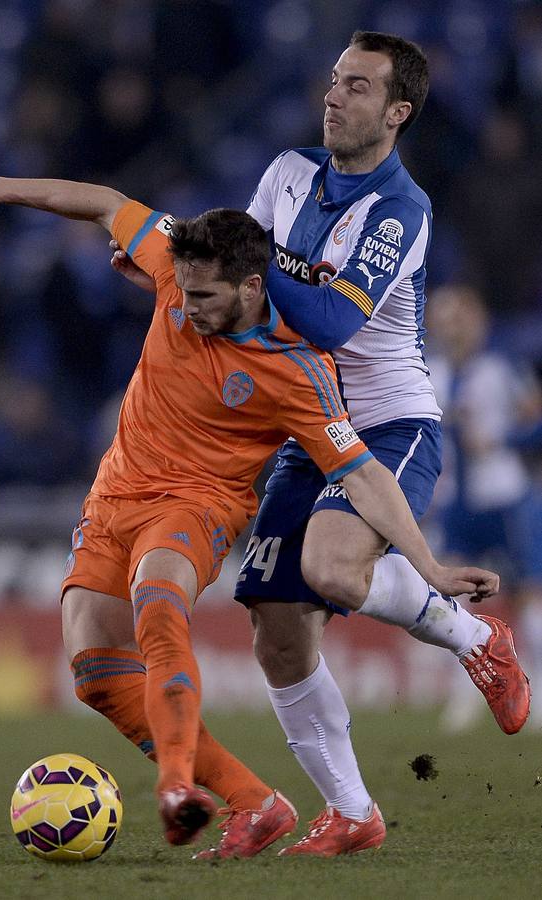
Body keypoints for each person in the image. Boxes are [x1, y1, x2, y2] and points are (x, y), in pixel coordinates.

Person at [0, 177, 499, 856]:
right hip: (114, 492)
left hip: (198, 503)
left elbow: (363, 476)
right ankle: (254, 803)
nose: (186, 305)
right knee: (94, 670)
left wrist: (428, 564)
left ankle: (176, 786)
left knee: (158, 599)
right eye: (182, 289)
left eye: (203, 296)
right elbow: (104, 204)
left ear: (251, 287)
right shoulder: (177, 270)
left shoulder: (297, 370)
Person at [110, 30, 532, 858]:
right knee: (274, 623)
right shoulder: (285, 173)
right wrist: (184, 275)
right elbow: (240, 275)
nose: (334, 96)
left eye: (358, 87)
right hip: (306, 423)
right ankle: (352, 812)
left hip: (388, 422)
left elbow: (334, 319)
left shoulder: (400, 210)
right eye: (334, 80)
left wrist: (262, 274)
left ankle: (476, 640)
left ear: (397, 112)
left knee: (330, 569)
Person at [427, 284, 542, 730]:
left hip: (504, 497)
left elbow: (535, 424)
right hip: (456, 502)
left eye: (460, 318)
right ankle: (468, 692)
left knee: (529, 592)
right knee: (448, 591)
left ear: (477, 322)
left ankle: (537, 689)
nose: (453, 328)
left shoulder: (501, 368)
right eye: (444, 319)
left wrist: (499, 440)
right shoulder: (429, 373)